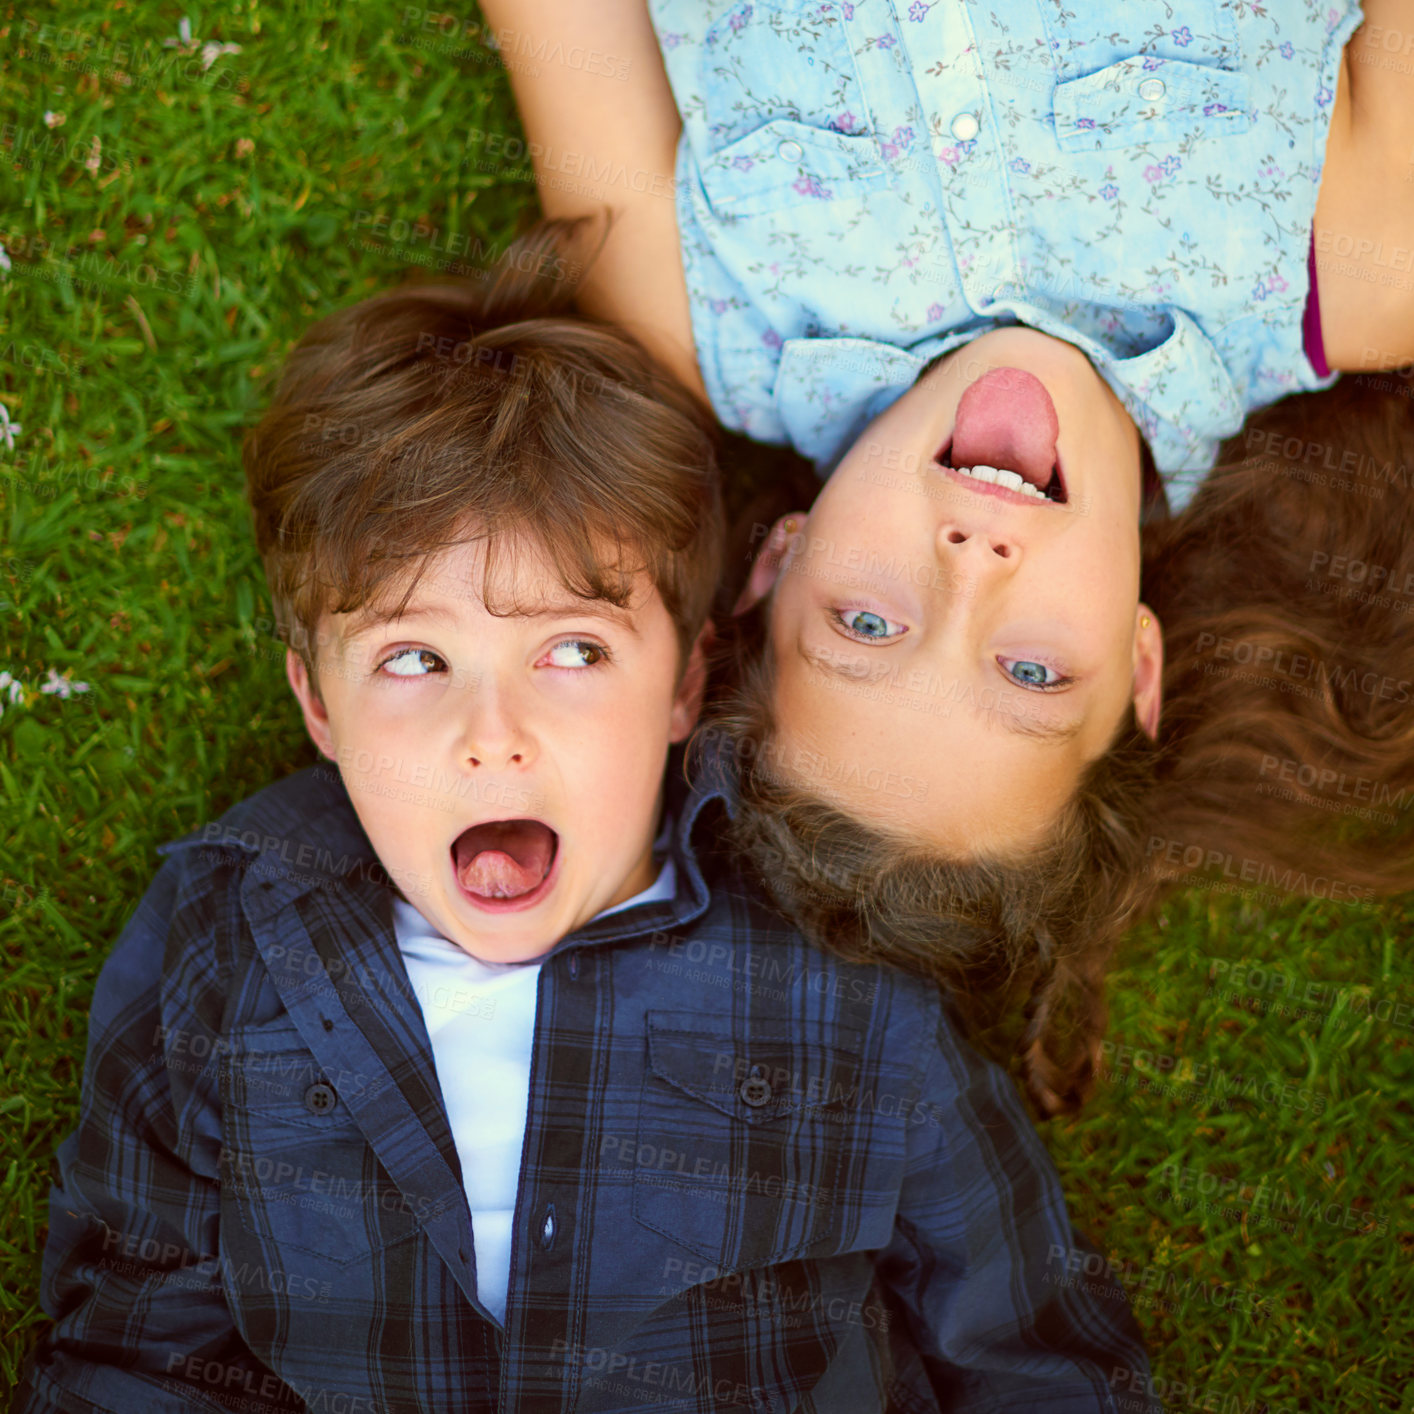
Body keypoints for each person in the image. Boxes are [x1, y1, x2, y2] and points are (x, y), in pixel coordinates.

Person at [12, 231, 1160, 1413]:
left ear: (682, 686)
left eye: (572, 650)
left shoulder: (829, 963)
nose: (492, 732)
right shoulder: (233, 940)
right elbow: (134, 1347)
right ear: (318, 704)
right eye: (413, 657)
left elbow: (1029, 1343)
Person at [483, 0, 1414, 1109]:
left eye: (866, 625)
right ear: (1139, 667)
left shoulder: (689, 314)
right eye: (1031, 673)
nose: (970, 562)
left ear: (778, 563)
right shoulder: (1359, 266)